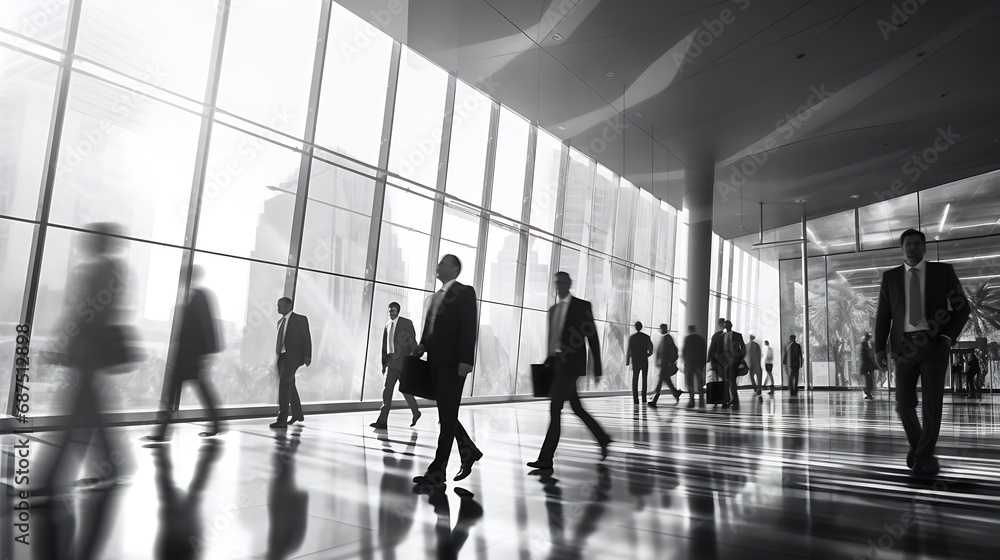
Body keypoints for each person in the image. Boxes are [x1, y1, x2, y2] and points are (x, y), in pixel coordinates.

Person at [874, 228, 970, 478]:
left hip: (934, 344)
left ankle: (924, 455)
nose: (912, 248)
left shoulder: (942, 272)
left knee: (931, 403)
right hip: (903, 347)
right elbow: (883, 315)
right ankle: (919, 448)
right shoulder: (891, 278)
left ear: (924, 247)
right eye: (908, 244)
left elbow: (962, 307)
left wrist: (948, 337)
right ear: (902, 248)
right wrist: (878, 348)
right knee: (903, 404)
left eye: (917, 244)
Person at [527, 272, 611, 470]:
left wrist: (597, 367)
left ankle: (546, 458)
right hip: (556, 364)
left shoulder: (582, 307)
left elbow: (592, 337)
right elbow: (554, 340)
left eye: (563, 282)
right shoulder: (553, 310)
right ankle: (603, 438)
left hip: (572, 366)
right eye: (556, 282)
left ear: (570, 284)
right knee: (577, 408)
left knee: (555, 407)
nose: (559, 285)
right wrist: (548, 361)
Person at [412, 255, 483, 485]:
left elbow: (469, 326)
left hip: (454, 364)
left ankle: (437, 470)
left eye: (442, 263)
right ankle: (468, 451)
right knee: (447, 413)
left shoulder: (465, 292)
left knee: (447, 414)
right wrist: (422, 345)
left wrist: (466, 360)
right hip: (434, 361)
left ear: (454, 269)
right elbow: (430, 327)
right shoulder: (434, 298)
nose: (437, 266)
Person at [146, 265, 223, 442]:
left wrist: (203, 354)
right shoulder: (189, 297)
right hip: (185, 354)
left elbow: (206, 326)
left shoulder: (200, 296)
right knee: (186, 390)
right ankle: (216, 423)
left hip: (191, 355)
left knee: (175, 392)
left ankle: (162, 432)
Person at [370, 302, 421, 429]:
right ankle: (382, 421)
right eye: (389, 310)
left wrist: (413, 360)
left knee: (405, 389)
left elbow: (412, 342)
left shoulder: (405, 322)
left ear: (398, 311)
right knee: (387, 391)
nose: (391, 312)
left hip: (403, 362)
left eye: (393, 310)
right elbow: (384, 346)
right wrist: (384, 364)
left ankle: (415, 411)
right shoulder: (387, 325)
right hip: (390, 362)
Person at [271, 297, 311, 429]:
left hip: (293, 358)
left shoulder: (300, 319)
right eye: (277, 306)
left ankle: (282, 418)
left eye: (280, 306)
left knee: (283, 386)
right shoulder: (280, 322)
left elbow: (306, 337)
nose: (278, 308)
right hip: (282, 357)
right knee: (290, 386)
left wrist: (307, 356)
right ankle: (298, 414)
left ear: (288, 305)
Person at [708, 319, 746, 409]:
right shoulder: (721, 336)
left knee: (731, 381)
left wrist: (740, 358)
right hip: (723, 362)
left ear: (731, 325)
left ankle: (734, 400)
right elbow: (718, 349)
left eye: (728, 324)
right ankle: (727, 400)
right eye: (725, 325)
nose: (726, 326)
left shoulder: (737, 335)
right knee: (725, 381)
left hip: (733, 361)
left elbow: (743, 347)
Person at [648, 324, 681, 407]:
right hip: (666, 363)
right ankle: (676, 393)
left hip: (666, 363)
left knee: (660, 380)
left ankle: (655, 400)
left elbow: (665, 352)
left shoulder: (666, 338)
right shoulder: (667, 338)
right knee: (666, 379)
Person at [627, 321, 654, 404]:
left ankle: (635, 399)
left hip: (635, 360)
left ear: (635, 327)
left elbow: (629, 350)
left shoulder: (632, 338)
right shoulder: (646, 337)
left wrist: (627, 360)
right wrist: (647, 354)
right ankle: (644, 398)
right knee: (644, 379)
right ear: (641, 327)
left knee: (635, 378)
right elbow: (651, 349)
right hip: (644, 360)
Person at [682, 325, 707, 408]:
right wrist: (703, 363)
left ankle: (691, 400)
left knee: (690, 382)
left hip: (690, 363)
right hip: (700, 363)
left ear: (689, 330)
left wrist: (685, 361)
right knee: (700, 381)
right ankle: (701, 400)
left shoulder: (687, 339)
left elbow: (684, 351)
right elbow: (704, 351)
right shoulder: (701, 339)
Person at [858, 332, 877, 400]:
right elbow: (867, 356)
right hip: (868, 365)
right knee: (868, 380)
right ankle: (867, 392)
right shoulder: (865, 345)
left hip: (867, 365)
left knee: (868, 380)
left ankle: (868, 392)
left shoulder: (866, 344)